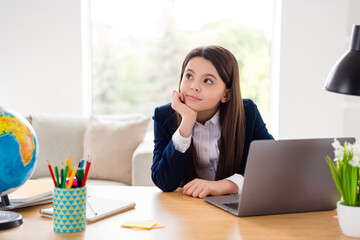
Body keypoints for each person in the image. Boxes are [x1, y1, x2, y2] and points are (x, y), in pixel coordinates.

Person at [151, 45, 273, 198]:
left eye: (207, 81)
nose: (194, 86)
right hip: (189, 208)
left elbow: (271, 165)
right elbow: (164, 183)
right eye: (189, 76)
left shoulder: (247, 112)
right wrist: (187, 121)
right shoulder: (164, 116)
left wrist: (225, 185)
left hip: (233, 206)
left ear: (226, 95)